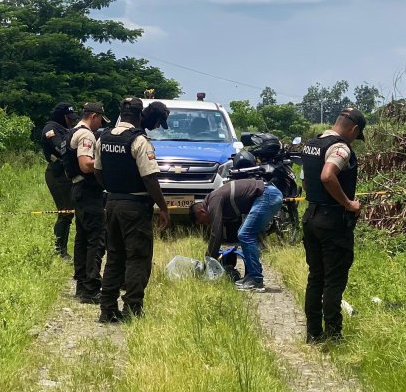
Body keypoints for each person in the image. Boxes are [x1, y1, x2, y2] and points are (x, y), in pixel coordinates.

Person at [95, 98, 171, 323]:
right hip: (135, 206)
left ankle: (107, 309)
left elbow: (98, 172)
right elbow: (150, 178)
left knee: (115, 257)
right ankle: (132, 309)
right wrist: (164, 208)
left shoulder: (103, 138)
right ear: (139, 116)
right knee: (138, 258)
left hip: (112, 203)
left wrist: (112, 189)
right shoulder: (139, 141)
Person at [300, 108, 366, 343]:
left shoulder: (311, 145)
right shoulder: (340, 148)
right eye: (356, 136)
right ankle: (333, 335)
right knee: (334, 280)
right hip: (333, 223)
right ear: (354, 129)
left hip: (311, 218)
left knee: (315, 276)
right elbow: (328, 176)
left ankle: (313, 333)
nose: (353, 141)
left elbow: (306, 183)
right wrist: (348, 203)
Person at [190, 161, 284, 292]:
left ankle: (256, 279)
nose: (205, 224)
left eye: (201, 222)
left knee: (245, 234)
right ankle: (252, 275)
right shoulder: (215, 200)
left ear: (202, 212)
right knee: (246, 234)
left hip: (268, 195)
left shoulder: (213, 200)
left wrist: (208, 259)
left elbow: (216, 233)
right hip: (269, 195)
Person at [66, 102, 109, 304]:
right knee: (96, 239)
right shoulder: (86, 135)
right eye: (100, 119)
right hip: (88, 191)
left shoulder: (73, 131)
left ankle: (82, 284)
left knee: (82, 238)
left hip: (77, 189)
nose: (100, 123)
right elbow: (85, 165)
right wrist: (104, 162)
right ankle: (91, 288)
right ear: (94, 116)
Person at [39, 102, 78, 259]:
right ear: (62, 117)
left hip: (65, 174)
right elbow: (61, 149)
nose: (72, 121)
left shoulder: (64, 129)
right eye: (69, 119)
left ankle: (61, 249)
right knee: (65, 211)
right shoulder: (51, 129)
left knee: (68, 212)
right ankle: (59, 251)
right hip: (57, 174)